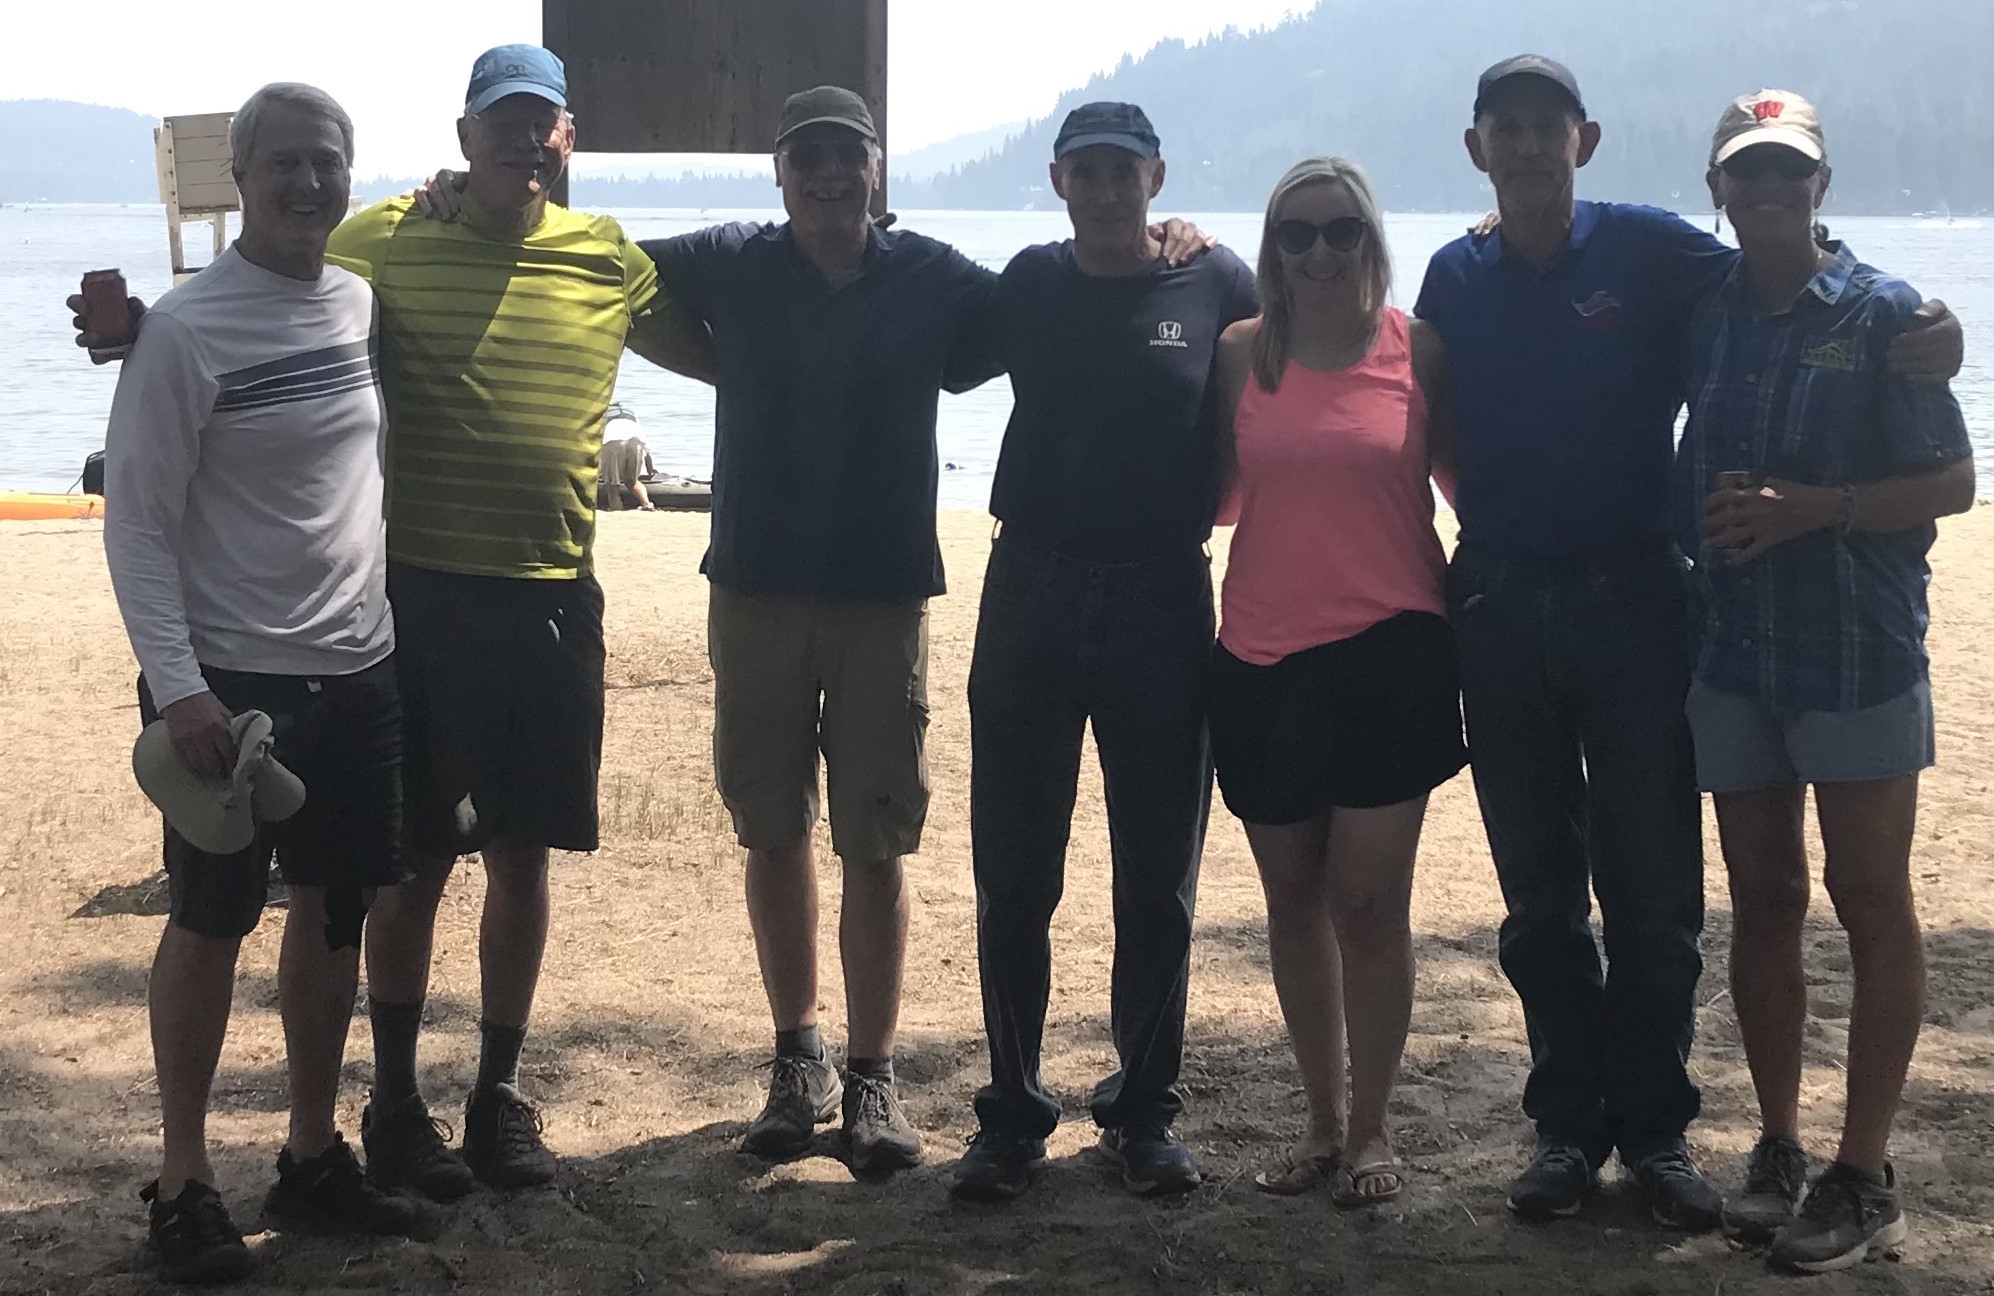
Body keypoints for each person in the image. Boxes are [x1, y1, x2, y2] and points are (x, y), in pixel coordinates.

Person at [1414, 55, 1964, 1228]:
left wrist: (1938, 322)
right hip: (1503, 606)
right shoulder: (1451, 271)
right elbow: (1421, 399)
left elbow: (1802, 274)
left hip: (1637, 604)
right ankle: (1567, 1130)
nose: (1523, 148)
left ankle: (1658, 1136)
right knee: (1537, 895)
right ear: (1474, 150)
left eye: (1544, 129)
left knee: (1655, 889)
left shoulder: (1656, 252)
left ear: (1585, 141)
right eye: (1502, 131)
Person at [100, 83, 431, 1284]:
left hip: (359, 663)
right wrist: (177, 689)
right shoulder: (187, 331)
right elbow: (135, 527)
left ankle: (307, 1156)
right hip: (228, 684)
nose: (307, 184)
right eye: (283, 163)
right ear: (238, 178)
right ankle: (183, 1181)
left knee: (336, 910)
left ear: (351, 177)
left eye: (326, 163)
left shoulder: (355, 302)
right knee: (209, 918)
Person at [1677, 90, 1974, 1273]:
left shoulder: (1884, 312)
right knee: (1758, 900)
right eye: (1744, 173)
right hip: (1730, 648)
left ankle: (1863, 1173)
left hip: (1853, 647)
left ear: (1819, 185)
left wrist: (1819, 513)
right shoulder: (1700, 307)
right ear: (1716, 189)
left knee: (1869, 898)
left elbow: (1952, 481)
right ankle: (1781, 1148)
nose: (1764, 192)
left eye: (1785, 173)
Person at [948, 103, 1255, 1202]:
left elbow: (1312, 353)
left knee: (1156, 878)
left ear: (1155, 176)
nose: (1107, 188)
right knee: (1013, 869)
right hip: (1028, 586)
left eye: (1124, 171)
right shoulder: (1026, 283)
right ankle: (1011, 1115)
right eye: (1085, 170)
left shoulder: (1215, 282)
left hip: (1161, 598)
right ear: (1058, 180)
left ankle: (1141, 1115)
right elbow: (927, 342)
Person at [1206, 157, 1465, 1209]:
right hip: (1261, 655)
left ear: (1370, 240)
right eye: (1297, 234)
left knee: (1366, 901)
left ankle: (1370, 1131)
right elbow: (1220, 501)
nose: (1319, 251)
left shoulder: (1420, 351)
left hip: (1392, 651)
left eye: (1340, 231)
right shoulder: (1236, 356)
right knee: (1291, 901)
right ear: (1271, 250)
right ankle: (1317, 1125)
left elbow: (1467, 484)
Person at [599, 404, 655, 512]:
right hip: (637, 441)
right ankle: (646, 504)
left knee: (612, 486)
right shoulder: (631, 415)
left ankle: (617, 510)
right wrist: (650, 469)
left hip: (613, 440)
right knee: (632, 481)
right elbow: (647, 452)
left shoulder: (601, 414)